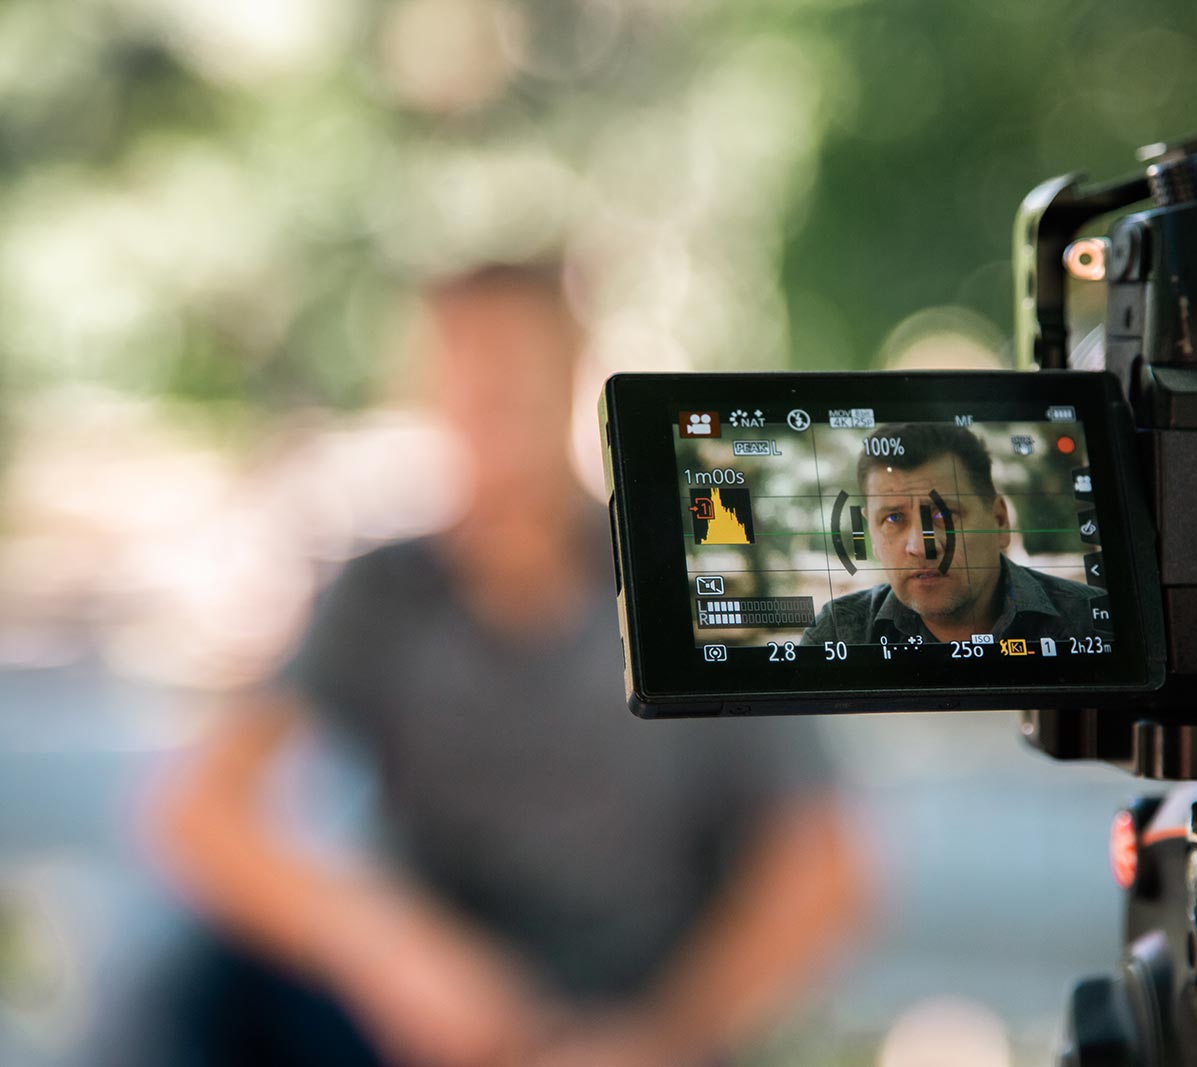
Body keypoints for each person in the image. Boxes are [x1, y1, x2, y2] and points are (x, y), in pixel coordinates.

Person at [150, 260, 867, 1067]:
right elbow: (198, 810)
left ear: (572, 378)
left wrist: (656, 1041)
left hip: (636, 1014)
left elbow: (824, 858)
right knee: (192, 980)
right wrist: (384, 947)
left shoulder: (701, 583)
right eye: (465, 375)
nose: (489, 404)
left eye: (514, 373)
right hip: (430, 1018)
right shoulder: (385, 591)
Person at [801, 423, 1102, 646]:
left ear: (999, 521)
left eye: (943, 515)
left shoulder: (1093, 621)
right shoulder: (837, 634)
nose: (921, 546)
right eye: (894, 518)